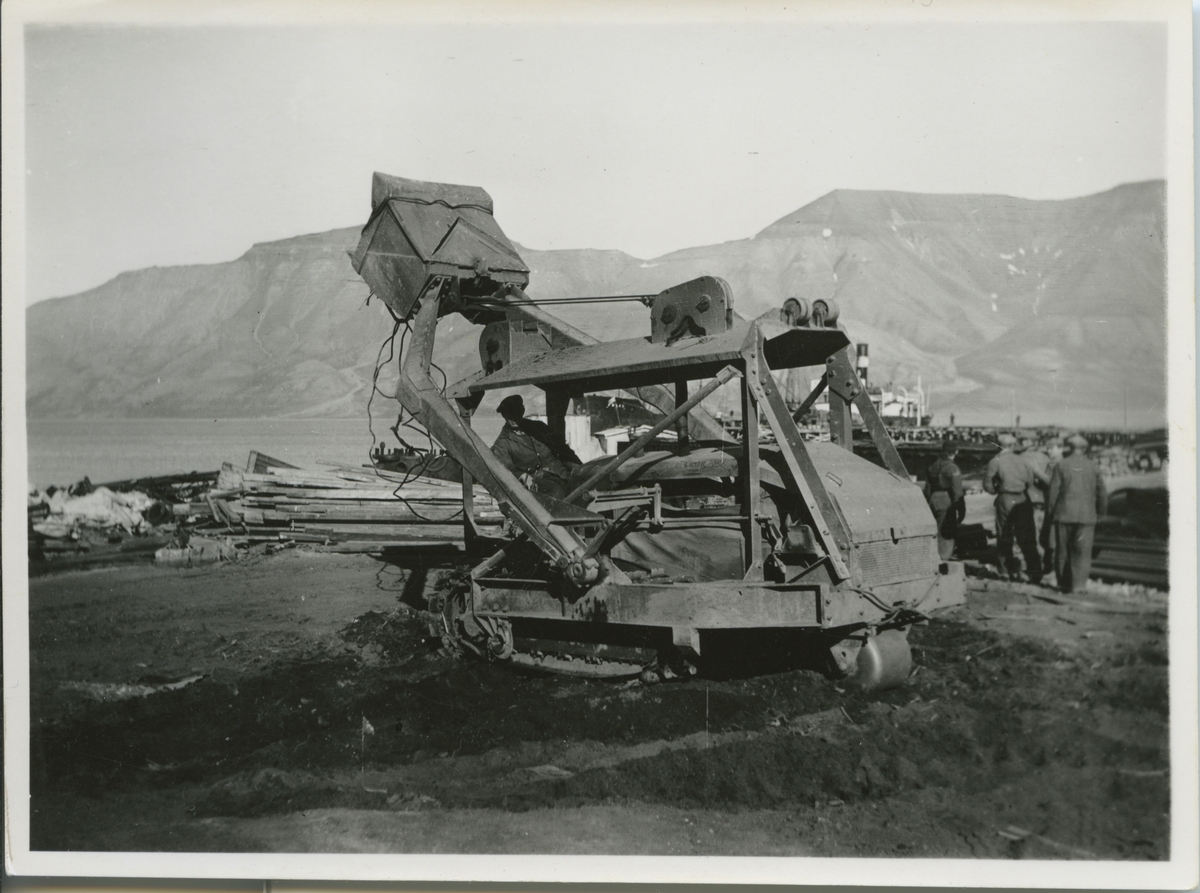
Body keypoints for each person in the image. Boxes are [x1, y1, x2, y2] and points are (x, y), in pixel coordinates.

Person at [490, 394, 582, 500]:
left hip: (562, 475)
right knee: (557, 494)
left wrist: (581, 468)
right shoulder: (502, 443)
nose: (514, 418)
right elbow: (504, 471)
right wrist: (521, 475)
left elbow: (563, 450)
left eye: (516, 413)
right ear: (504, 416)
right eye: (509, 415)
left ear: (522, 411)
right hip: (539, 485)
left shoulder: (539, 428)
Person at [1047, 433, 1107, 594]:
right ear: (1085, 449)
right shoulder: (1093, 466)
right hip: (1086, 517)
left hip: (1064, 515)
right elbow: (1102, 493)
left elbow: (1053, 493)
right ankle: (1079, 586)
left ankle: (1064, 586)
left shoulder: (1061, 465)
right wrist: (1101, 514)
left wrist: (1052, 514)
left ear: (1069, 448)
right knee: (1082, 552)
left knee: (1063, 552)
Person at [983, 432, 1042, 583]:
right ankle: (1035, 571)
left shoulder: (995, 461)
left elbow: (987, 485)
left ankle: (1004, 570)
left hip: (1005, 498)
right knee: (1027, 536)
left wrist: (997, 491)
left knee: (1004, 535)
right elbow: (1030, 481)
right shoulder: (1023, 460)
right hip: (1023, 498)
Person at [924, 441, 965, 559]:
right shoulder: (952, 468)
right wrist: (961, 509)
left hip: (933, 499)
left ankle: (932, 556)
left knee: (935, 530)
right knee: (946, 533)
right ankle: (942, 559)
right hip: (946, 499)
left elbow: (927, 489)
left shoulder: (932, 466)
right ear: (955, 452)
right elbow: (957, 491)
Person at [1019, 434, 1053, 564]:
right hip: (1042, 499)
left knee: (1028, 533)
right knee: (1042, 531)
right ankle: (1044, 559)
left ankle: (1033, 560)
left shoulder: (1019, 458)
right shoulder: (1045, 458)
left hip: (1026, 499)